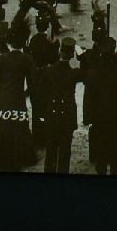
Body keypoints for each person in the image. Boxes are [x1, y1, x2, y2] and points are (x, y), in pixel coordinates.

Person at [0, 22, 38, 170]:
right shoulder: (27, 59)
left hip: (1, 94)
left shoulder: (2, 58)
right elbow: (33, 79)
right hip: (17, 95)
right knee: (18, 126)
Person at [82, 37, 117, 175]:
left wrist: (88, 119)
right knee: (115, 153)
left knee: (101, 152)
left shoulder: (93, 74)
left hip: (99, 120)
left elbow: (88, 98)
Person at [39, 37, 82, 174]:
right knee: (64, 152)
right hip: (67, 115)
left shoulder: (48, 71)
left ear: (59, 51)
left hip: (51, 114)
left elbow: (41, 92)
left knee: (50, 151)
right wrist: (81, 54)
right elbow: (88, 69)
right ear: (71, 55)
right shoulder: (74, 73)